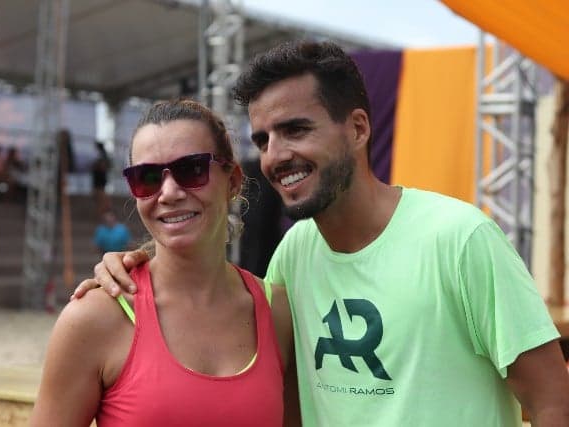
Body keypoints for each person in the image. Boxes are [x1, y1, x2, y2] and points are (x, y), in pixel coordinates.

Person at [74, 41, 569, 426]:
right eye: (264, 139)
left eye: (296, 130)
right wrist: (138, 260)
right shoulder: (296, 254)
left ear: (357, 129)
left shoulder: (460, 239)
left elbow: (552, 399)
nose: (276, 155)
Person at [32, 100, 299, 426]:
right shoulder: (94, 318)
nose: (169, 192)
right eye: (147, 177)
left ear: (232, 181)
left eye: (192, 170)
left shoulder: (279, 313)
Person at [91, 141, 112, 217]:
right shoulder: (102, 155)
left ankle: (104, 210)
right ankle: (102, 210)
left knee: (100, 196)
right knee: (98, 196)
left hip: (100, 179)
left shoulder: (102, 156)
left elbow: (104, 166)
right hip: (99, 179)